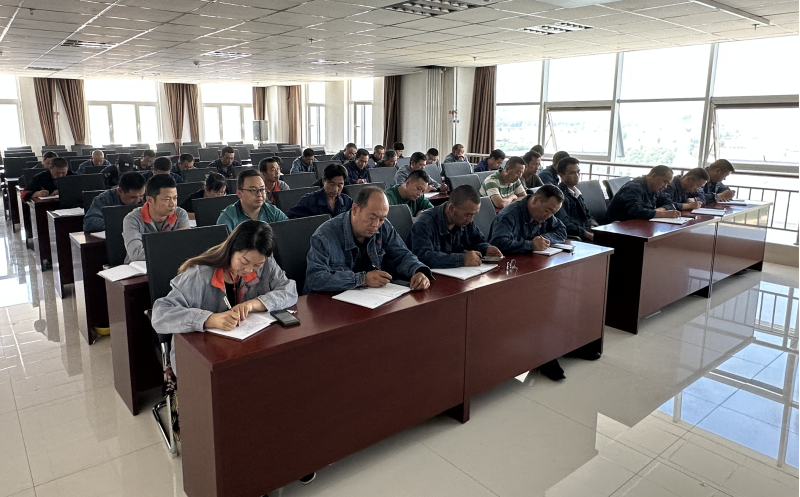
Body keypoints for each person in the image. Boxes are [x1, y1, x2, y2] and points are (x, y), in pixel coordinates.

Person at [151, 220, 298, 372]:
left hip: (245, 349)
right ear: (232, 249)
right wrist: (209, 319)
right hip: (201, 357)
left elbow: (289, 290)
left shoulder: (266, 262)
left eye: (257, 265)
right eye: (244, 261)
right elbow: (160, 314)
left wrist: (255, 303)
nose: (249, 270)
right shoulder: (199, 274)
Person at [305, 187, 432, 293]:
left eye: (381, 219)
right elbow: (315, 278)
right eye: (371, 217)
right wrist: (362, 279)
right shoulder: (325, 235)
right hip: (332, 302)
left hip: (372, 298)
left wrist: (418, 271)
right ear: (355, 209)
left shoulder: (384, 226)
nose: (376, 224)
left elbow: (402, 255)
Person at [411, 185, 503, 268]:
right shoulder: (424, 223)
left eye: (473, 215)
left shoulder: (465, 221)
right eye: (468, 214)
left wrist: (486, 248)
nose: (470, 220)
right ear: (451, 208)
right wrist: (462, 259)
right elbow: (422, 257)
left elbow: (477, 240)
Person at [122, 174, 190, 263]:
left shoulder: (180, 214)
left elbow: (187, 246)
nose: (173, 204)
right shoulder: (132, 219)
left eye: (175, 198)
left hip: (170, 264)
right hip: (139, 268)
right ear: (150, 200)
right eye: (167, 199)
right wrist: (173, 244)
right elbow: (137, 254)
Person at [489, 184, 567, 254]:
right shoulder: (508, 215)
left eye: (553, 213)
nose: (549, 216)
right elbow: (498, 243)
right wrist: (531, 245)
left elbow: (562, 231)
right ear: (535, 201)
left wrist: (543, 240)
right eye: (547, 211)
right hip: (509, 263)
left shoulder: (545, 214)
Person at [217, 169, 287, 232]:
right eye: (253, 190)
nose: (259, 194)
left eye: (262, 189)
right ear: (239, 193)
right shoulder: (228, 217)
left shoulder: (273, 212)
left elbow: (288, 231)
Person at [604, 166, 680, 222]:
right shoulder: (633, 187)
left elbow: (670, 203)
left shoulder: (654, 189)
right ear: (653, 176)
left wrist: (661, 210)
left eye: (667, 184)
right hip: (615, 227)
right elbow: (635, 211)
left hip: (636, 225)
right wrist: (663, 214)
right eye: (664, 182)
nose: (665, 186)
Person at [554, 158, 598, 242]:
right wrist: (586, 234)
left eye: (578, 172)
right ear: (561, 175)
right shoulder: (558, 196)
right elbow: (564, 224)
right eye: (572, 173)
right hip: (576, 237)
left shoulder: (577, 193)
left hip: (586, 232)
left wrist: (593, 226)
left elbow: (588, 215)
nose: (577, 175)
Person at [288, 164, 353, 219]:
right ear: (323, 181)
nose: (335, 189)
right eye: (332, 184)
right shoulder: (309, 201)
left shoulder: (347, 201)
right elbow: (292, 219)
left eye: (340, 185)